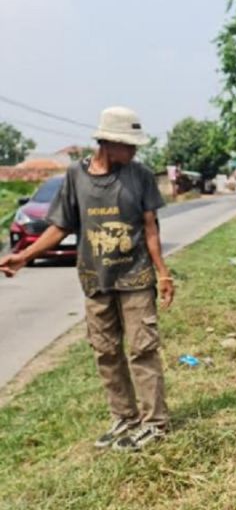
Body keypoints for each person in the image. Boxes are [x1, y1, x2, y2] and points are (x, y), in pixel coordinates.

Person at [0, 106, 174, 452]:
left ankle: (155, 423)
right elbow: (60, 226)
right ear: (108, 143)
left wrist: (163, 273)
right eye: (129, 145)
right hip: (96, 281)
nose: (135, 151)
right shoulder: (76, 178)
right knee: (106, 352)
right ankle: (125, 416)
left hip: (136, 277)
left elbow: (151, 228)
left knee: (143, 350)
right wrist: (24, 256)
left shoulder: (139, 175)